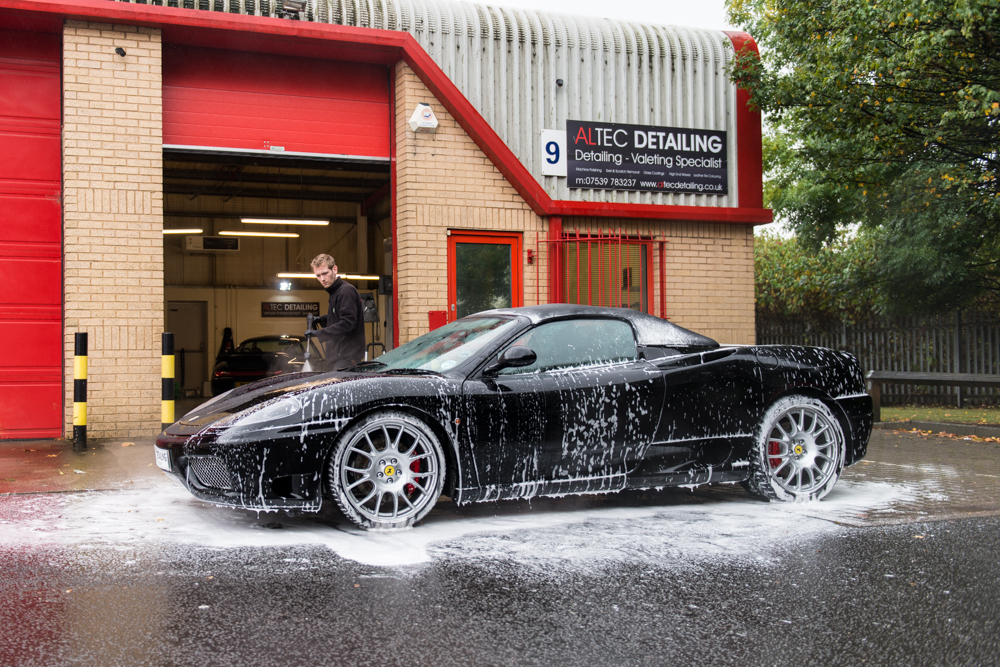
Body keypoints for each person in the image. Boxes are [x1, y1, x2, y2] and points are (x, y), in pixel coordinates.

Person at [310, 253, 366, 370]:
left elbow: (347, 324)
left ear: (334, 269)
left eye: (325, 273)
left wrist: (319, 333)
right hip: (339, 360)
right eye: (318, 275)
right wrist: (322, 319)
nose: (322, 279)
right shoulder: (335, 292)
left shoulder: (345, 291)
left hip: (347, 360)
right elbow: (338, 318)